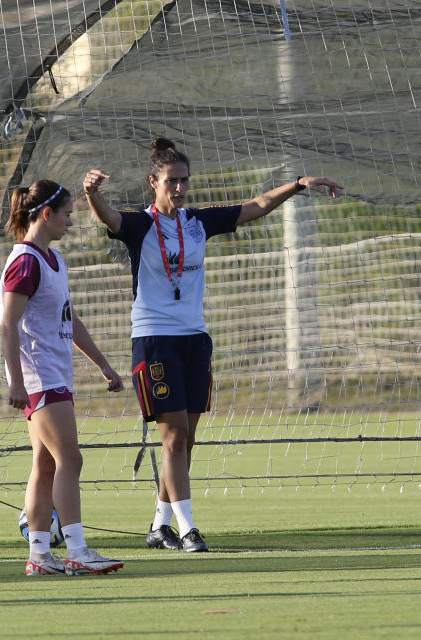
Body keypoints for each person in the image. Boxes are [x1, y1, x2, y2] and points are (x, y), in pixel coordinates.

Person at [84, 137, 342, 552]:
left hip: (195, 340)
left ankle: (159, 525)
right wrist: (92, 194)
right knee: (173, 436)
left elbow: (254, 206)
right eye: (172, 181)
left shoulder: (198, 222)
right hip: (154, 340)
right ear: (154, 182)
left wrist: (296, 184)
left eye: (185, 180)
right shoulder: (141, 225)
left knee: (186, 439)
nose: (181, 188)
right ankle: (188, 529)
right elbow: (110, 218)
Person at [0, 179, 126, 576]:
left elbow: (69, 320)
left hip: (55, 374)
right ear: (46, 214)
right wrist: (17, 382)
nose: (72, 222)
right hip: (40, 378)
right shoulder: (25, 261)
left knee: (46, 464)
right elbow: (8, 325)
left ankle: (39, 555)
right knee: (70, 459)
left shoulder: (53, 260)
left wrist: (102, 363)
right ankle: (77, 550)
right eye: (68, 214)